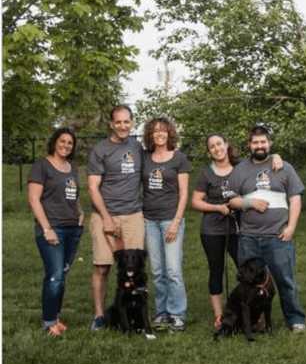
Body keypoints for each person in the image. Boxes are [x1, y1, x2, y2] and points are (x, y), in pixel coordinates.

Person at [191, 133, 282, 330]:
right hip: (212, 230)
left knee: (249, 270)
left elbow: (263, 160)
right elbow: (196, 202)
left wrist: (276, 156)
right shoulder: (206, 173)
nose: (217, 148)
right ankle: (219, 316)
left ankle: (256, 313)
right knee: (216, 271)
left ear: (226, 145)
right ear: (209, 152)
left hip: (240, 229)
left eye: (219, 143)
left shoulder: (242, 166)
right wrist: (217, 208)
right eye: (212, 146)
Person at [228, 124, 306, 332]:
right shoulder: (240, 170)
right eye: (255, 142)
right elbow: (231, 201)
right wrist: (249, 203)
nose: (260, 145)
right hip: (249, 238)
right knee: (248, 283)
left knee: (285, 280)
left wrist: (291, 227)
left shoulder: (284, 167)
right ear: (249, 145)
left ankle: (296, 320)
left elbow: (295, 198)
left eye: (263, 142)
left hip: (278, 236)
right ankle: (257, 321)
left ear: (269, 143)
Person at [87, 105, 144, 331]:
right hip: (105, 215)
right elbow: (92, 188)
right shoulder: (100, 150)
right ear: (111, 124)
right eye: (118, 122)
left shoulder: (137, 147)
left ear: (132, 122)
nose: (123, 126)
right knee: (102, 267)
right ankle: (100, 316)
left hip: (133, 215)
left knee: (134, 267)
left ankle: (134, 314)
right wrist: (107, 218)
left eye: (126, 121)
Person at [28, 128, 84, 336]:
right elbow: (34, 199)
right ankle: (49, 322)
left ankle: (55, 317)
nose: (66, 145)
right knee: (55, 276)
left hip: (73, 228)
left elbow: (73, 194)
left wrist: (80, 212)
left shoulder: (72, 168)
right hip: (53, 228)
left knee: (62, 274)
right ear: (54, 142)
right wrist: (47, 228)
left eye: (70, 143)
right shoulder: (41, 166)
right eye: (63, 141)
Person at [141, 117, 191, 332]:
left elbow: (184, 193)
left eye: (163, 131)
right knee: (157, 271)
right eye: (155, 131)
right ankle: (161, 313)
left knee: (173, 270)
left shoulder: (179, 159)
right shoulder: (145, 158)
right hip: (149, 220)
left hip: (171, 219)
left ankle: (177, 314)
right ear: (150, 135)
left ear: (169, 133)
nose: (159, 134)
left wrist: (176, 223)